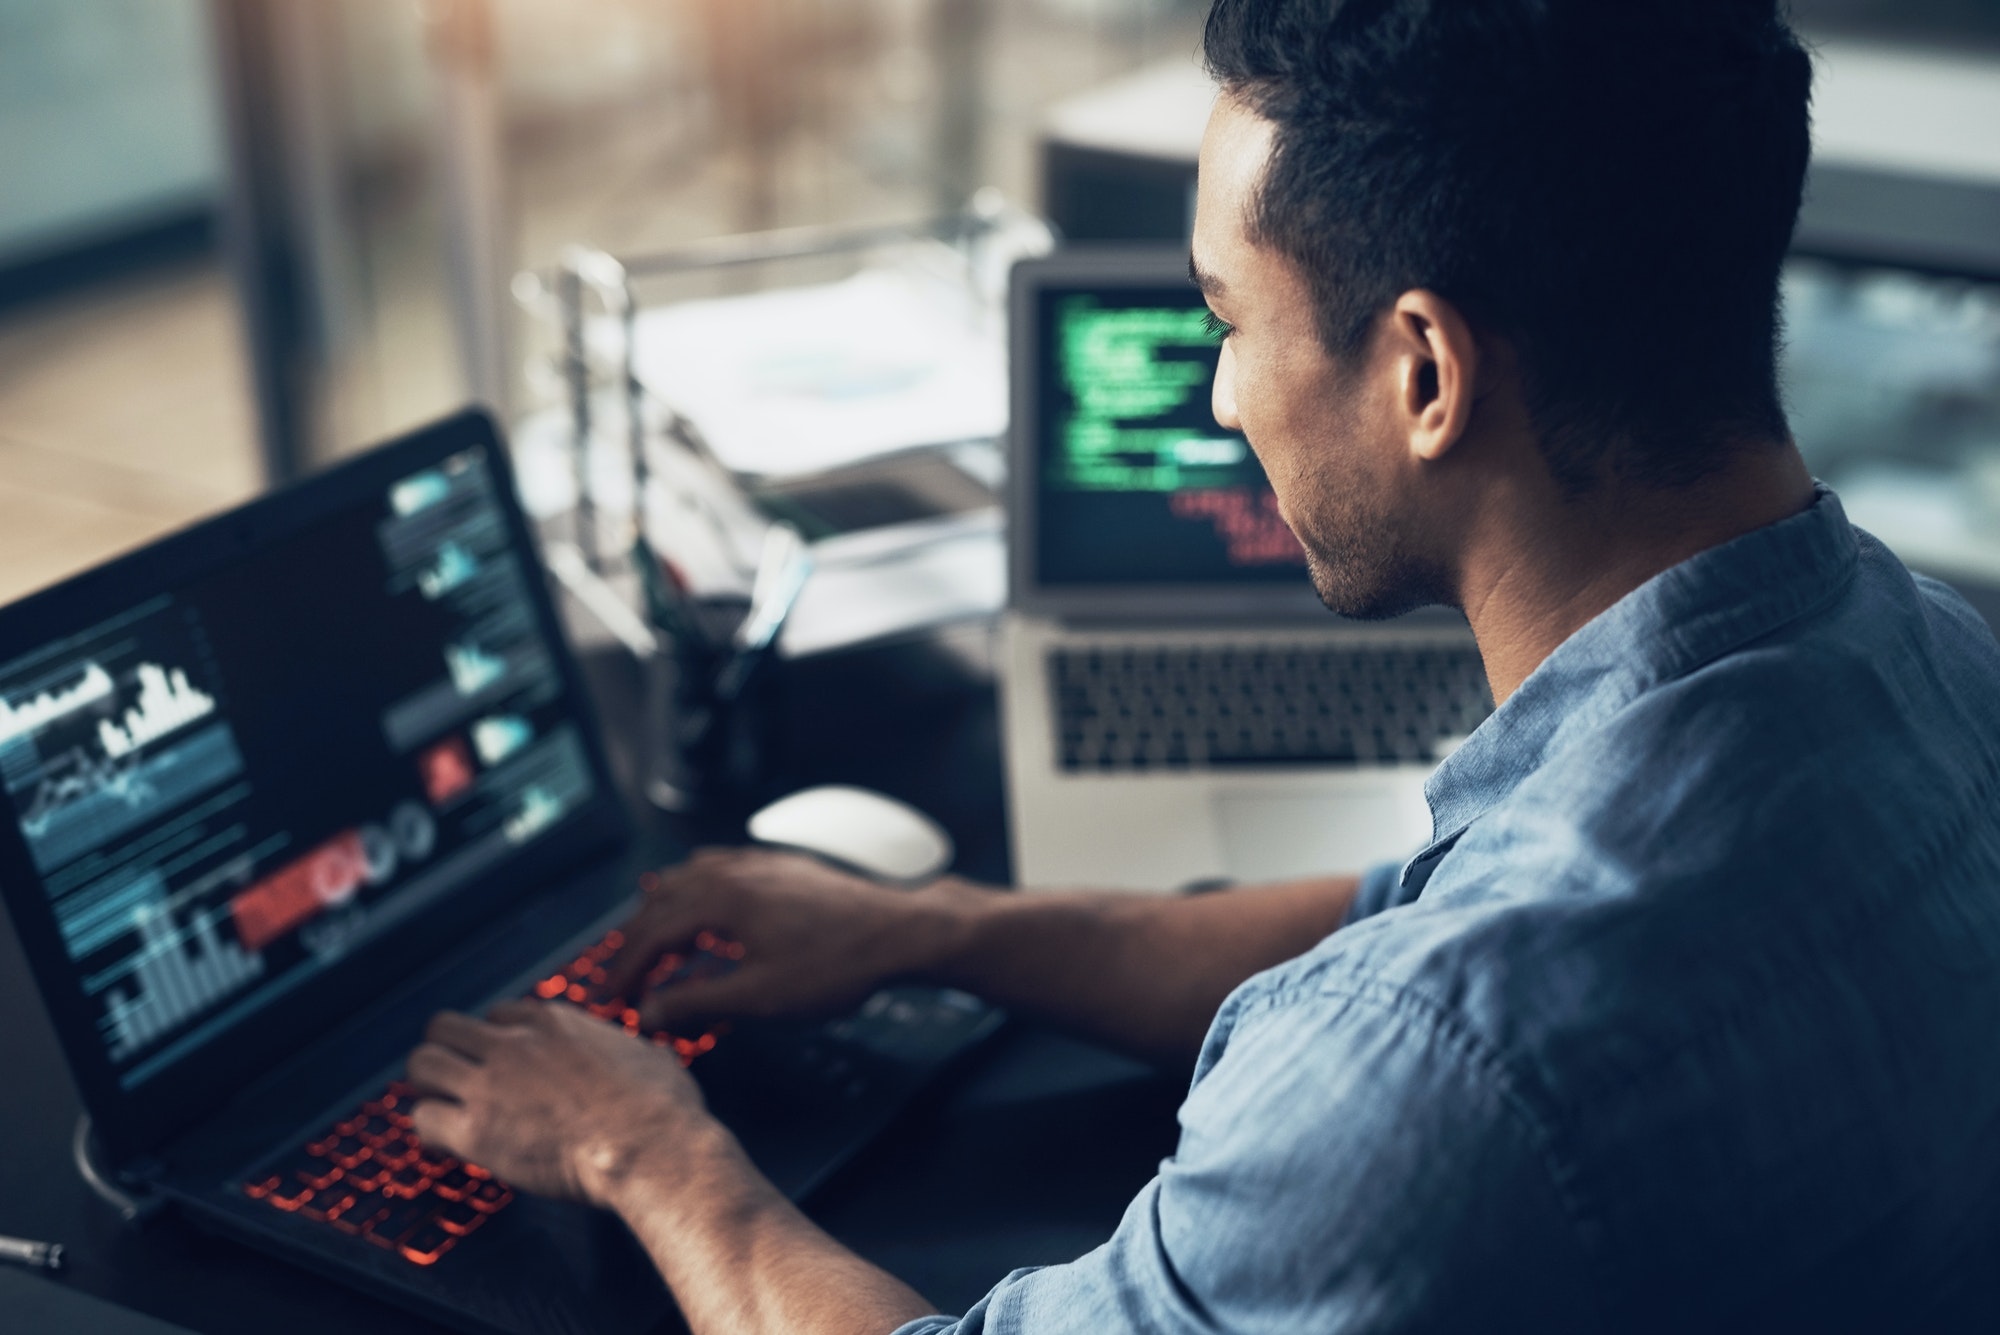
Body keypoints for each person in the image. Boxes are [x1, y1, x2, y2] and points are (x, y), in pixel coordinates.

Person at [405, 1, 2000, 1329]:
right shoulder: (1933, 665)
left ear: (1426, 372)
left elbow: (1445, 1015)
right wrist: (935, 930)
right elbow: (1417, 913)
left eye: (1230, 320)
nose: (1223, 397)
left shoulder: (1418, 1079)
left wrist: (648, 1156)